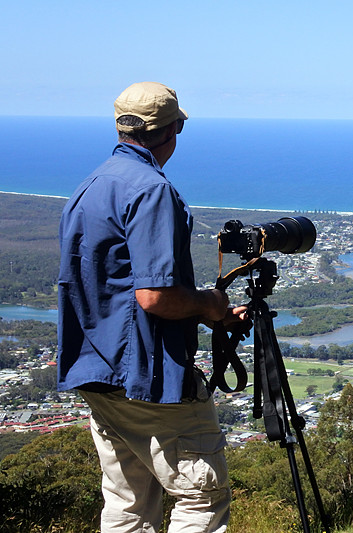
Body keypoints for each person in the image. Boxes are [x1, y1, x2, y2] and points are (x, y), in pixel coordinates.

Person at [58, 82, 248, 532]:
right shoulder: (151, 189)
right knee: (201, 495)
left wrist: (208, 311)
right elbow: (154, 297)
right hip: (148, 379)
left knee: (128, 501)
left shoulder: (93, 184)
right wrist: (210, 304)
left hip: (97, 372)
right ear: (173, 129)